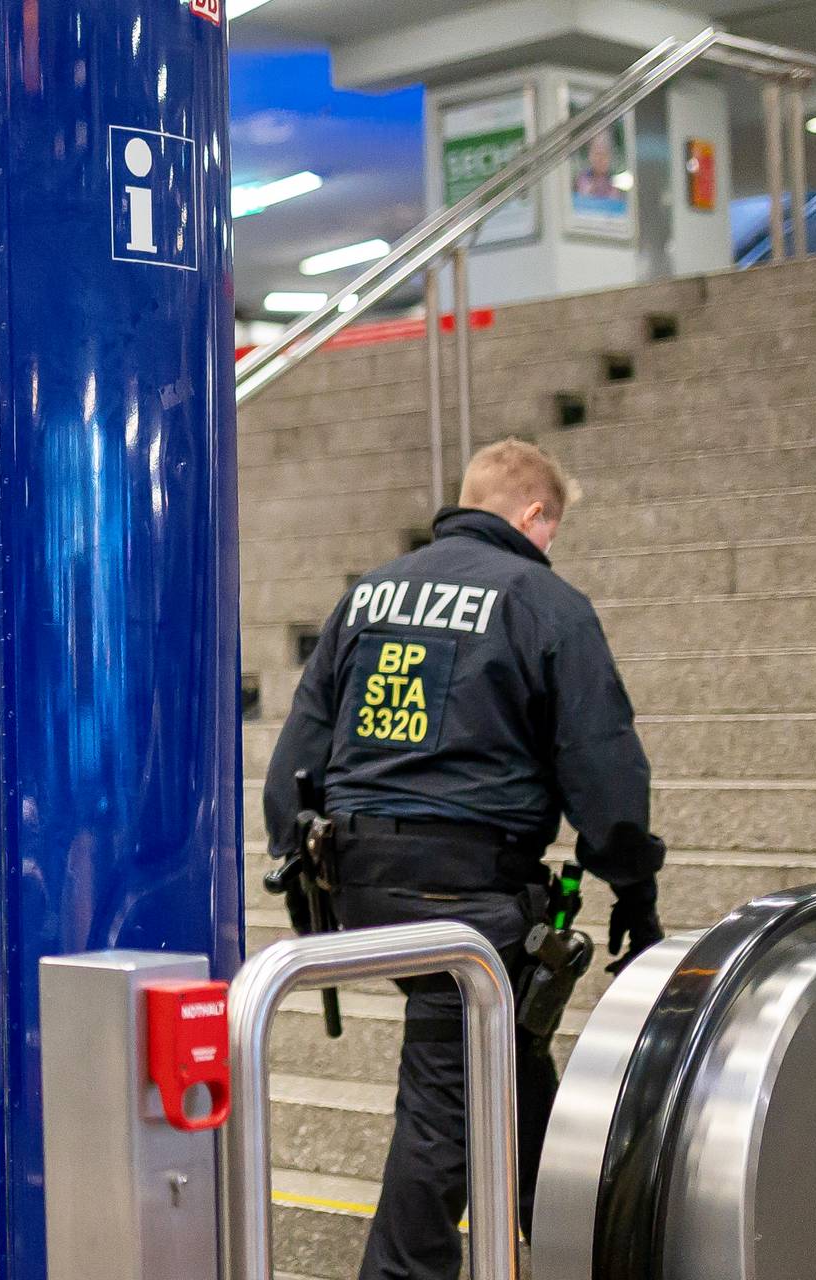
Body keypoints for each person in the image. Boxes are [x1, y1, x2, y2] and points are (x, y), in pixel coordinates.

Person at [261, 439, 665, 1280]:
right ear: (532, 516)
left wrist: (300, 858)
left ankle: (573, 1237)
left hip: (359, 878)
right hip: (468, 892)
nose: (552, 545)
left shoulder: (368, 595)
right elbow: (603, 762)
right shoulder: (544, 601)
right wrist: (633, 883)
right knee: (445, 1108)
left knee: (507, 1051)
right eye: (553, 529)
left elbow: (296, 755)